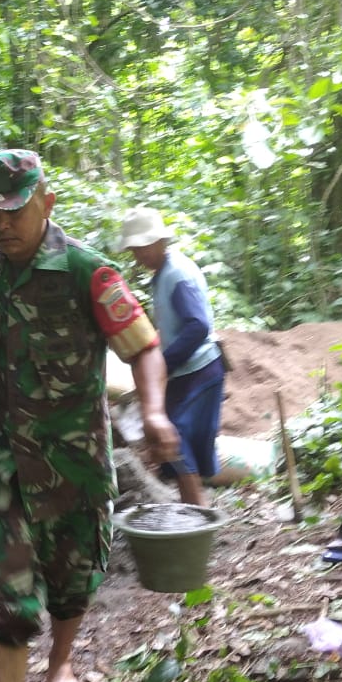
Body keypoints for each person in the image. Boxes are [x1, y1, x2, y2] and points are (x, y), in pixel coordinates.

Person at [0, 149, 180, 682]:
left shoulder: (90, 273)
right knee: (4, 595)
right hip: (0, 463)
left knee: (72, 577)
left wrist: (156, 411)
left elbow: (143, 349)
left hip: (72, 463)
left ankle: (60, 663)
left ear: (45, 202)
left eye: (14, 210)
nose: (2, 226)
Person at [120, 207, 225, 506]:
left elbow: (197, 325)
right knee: (177, 445)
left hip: (198, 370)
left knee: (175, 442)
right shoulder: (165, 272)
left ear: (158, 242)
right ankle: (195, 514)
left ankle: (197, 518)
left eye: (141, 248)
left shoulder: (176, 273)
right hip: (190, 371)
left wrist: (163, 365)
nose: (137, 257)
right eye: (134, 250)